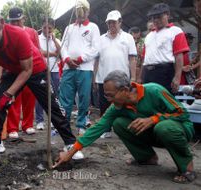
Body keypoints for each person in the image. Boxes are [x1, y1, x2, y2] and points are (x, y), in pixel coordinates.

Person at [0, 5, 84, 160]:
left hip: (35, 69)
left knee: (52, 105)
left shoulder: (18, 35)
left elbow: (27, 70)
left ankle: (70, 143)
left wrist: (9, 94)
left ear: (1, 23)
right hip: (13, 71)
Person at [54, 70, 196, 183]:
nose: (108, 100)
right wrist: (70, 153)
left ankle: (186, 167)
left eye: (110, 95)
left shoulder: (153, 90)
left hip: (178, 129)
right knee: (119, 124)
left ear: (124, 90)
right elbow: (96, 128)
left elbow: (183, 113)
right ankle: (147, 158)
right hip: (156, 134)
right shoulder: (117, 107)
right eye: (106, 96)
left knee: (163, 128)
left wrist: (154, 119)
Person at [59, 0, 100, 135]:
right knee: (65, 97)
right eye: (78, 12)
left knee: (83, 97)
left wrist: (81, 59)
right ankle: (63, 125)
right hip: (68, 68)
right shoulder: (69, 28)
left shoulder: (93, 27)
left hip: (85, 68)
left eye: (83, 12)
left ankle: (81, 123)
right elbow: (63, 46)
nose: (81, 15)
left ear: (88, 12)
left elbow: (95, 49)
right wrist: (66, 59)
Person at [94, 10, 137, 138]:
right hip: (103, 78)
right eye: (109, 23)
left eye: (114, 22)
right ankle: (106, 129)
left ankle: (124, 129)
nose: (111, 25)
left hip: (122, 79)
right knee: (104, 105)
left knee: (123, 104)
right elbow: (96, 60)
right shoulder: (101, 39)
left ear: (120, 22)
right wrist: (94, 78)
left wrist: (133, 77)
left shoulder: (128, 38)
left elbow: (132, 58)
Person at [139, 3, 189, 94]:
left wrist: (177, 78)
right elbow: (144, 59)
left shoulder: (175, 31)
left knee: (164, 102)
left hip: (165, 72)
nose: (155, 20)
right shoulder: (149, 36)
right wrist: (140, 77)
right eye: (153, 17)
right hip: (147, 72)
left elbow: (179, 56)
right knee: (148, 100)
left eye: (159, 16)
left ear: (167, 15)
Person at [5, 7, 38, 138]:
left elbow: (37, 51)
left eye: (18, 20)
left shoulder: (32, 32)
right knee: (14, 99)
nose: (16, 24)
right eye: (13, 21)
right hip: (14, 71)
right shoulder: (6, 32)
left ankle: (28, 125)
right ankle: (12, 128)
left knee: (29, 98)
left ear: (23, 19)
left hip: (30, 70)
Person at [37, 17, 62, 130]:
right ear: (41, 26)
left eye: (50, 28)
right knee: (40, 95)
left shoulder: (55, 40)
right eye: (45, 27)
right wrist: (53, 53)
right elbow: (39, 52)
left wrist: (54, 40)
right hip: (41, 70)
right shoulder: (37, 38)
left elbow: (61, 53)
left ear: (53, 28)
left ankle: (53, 120)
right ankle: (39, 120)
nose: (47, 30)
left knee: (55, 96)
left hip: (54, 70)